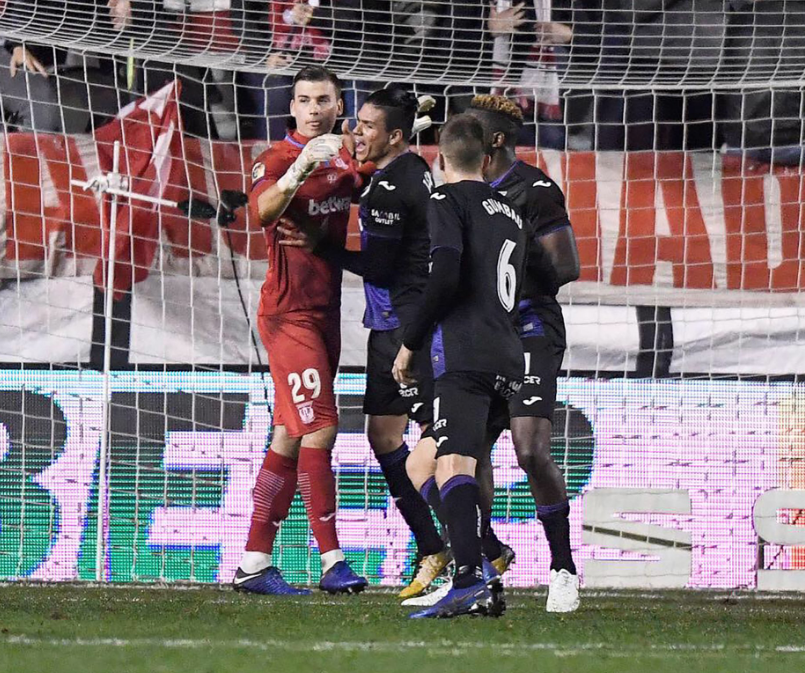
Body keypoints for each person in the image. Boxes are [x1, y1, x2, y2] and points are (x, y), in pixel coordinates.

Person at [279, 85, 452, 599]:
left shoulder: (387, 192)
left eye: (367, 126)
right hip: (392, 325)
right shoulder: (411, 168)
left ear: (396, 135)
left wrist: (320, 245)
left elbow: (376, 267)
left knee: (437, 445)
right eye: (355, 122)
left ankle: (477, 549)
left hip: (408, 328)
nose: (354, 132)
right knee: (384, 436)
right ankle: (433, 545)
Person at [233, 65, 368, 596]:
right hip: (288, 314)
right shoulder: (278, 158)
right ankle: (333, 560)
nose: (313, 109)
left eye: (324, 100)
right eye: (305, 100)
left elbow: (369, 182)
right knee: (321, 429)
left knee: (289, 434)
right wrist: (295, 175)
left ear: (339, 106)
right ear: (292, 107)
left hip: (324, 311)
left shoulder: (344, 157)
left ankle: (253, 562)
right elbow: (263, 210)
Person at [393, 114, 526, 619]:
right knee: (422, 464)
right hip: (507, 353)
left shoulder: (445, 200)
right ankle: (483, 559)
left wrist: (410, 343)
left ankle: (469, 578)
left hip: (465, 352)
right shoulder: (511, 212)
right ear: (488, 161)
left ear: (440, 159)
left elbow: (445, 272)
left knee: (453, 464)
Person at [466, 93, 580, 612]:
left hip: (531, 328)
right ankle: (485, 557)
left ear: (493, 141)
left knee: (530, 449)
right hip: (482, 331)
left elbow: (567, 268)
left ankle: (563, 570)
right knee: (467, 452)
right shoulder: (462, 191)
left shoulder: (534, 191)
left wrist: (514, 252)